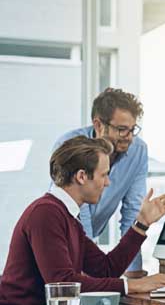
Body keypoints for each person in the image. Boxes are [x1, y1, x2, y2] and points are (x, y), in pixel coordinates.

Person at [0, 136, 165, 305]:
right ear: (81, 176)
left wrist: (141, 224)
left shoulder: (67, 217)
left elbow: (105, 269)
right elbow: (63, 284)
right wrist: (132, 285)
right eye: (104, 175)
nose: (108, 182)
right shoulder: (46, 213)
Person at [53, 88, 149, 278]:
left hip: (86, 244)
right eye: (122, 129)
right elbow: (80, 210)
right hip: (65, 241)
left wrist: (134, 272)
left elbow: (132, 211)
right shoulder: (71, 147)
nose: (129, 137)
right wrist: (88, 267)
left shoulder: (138, 150)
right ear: (98, 124)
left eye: (133, 130)